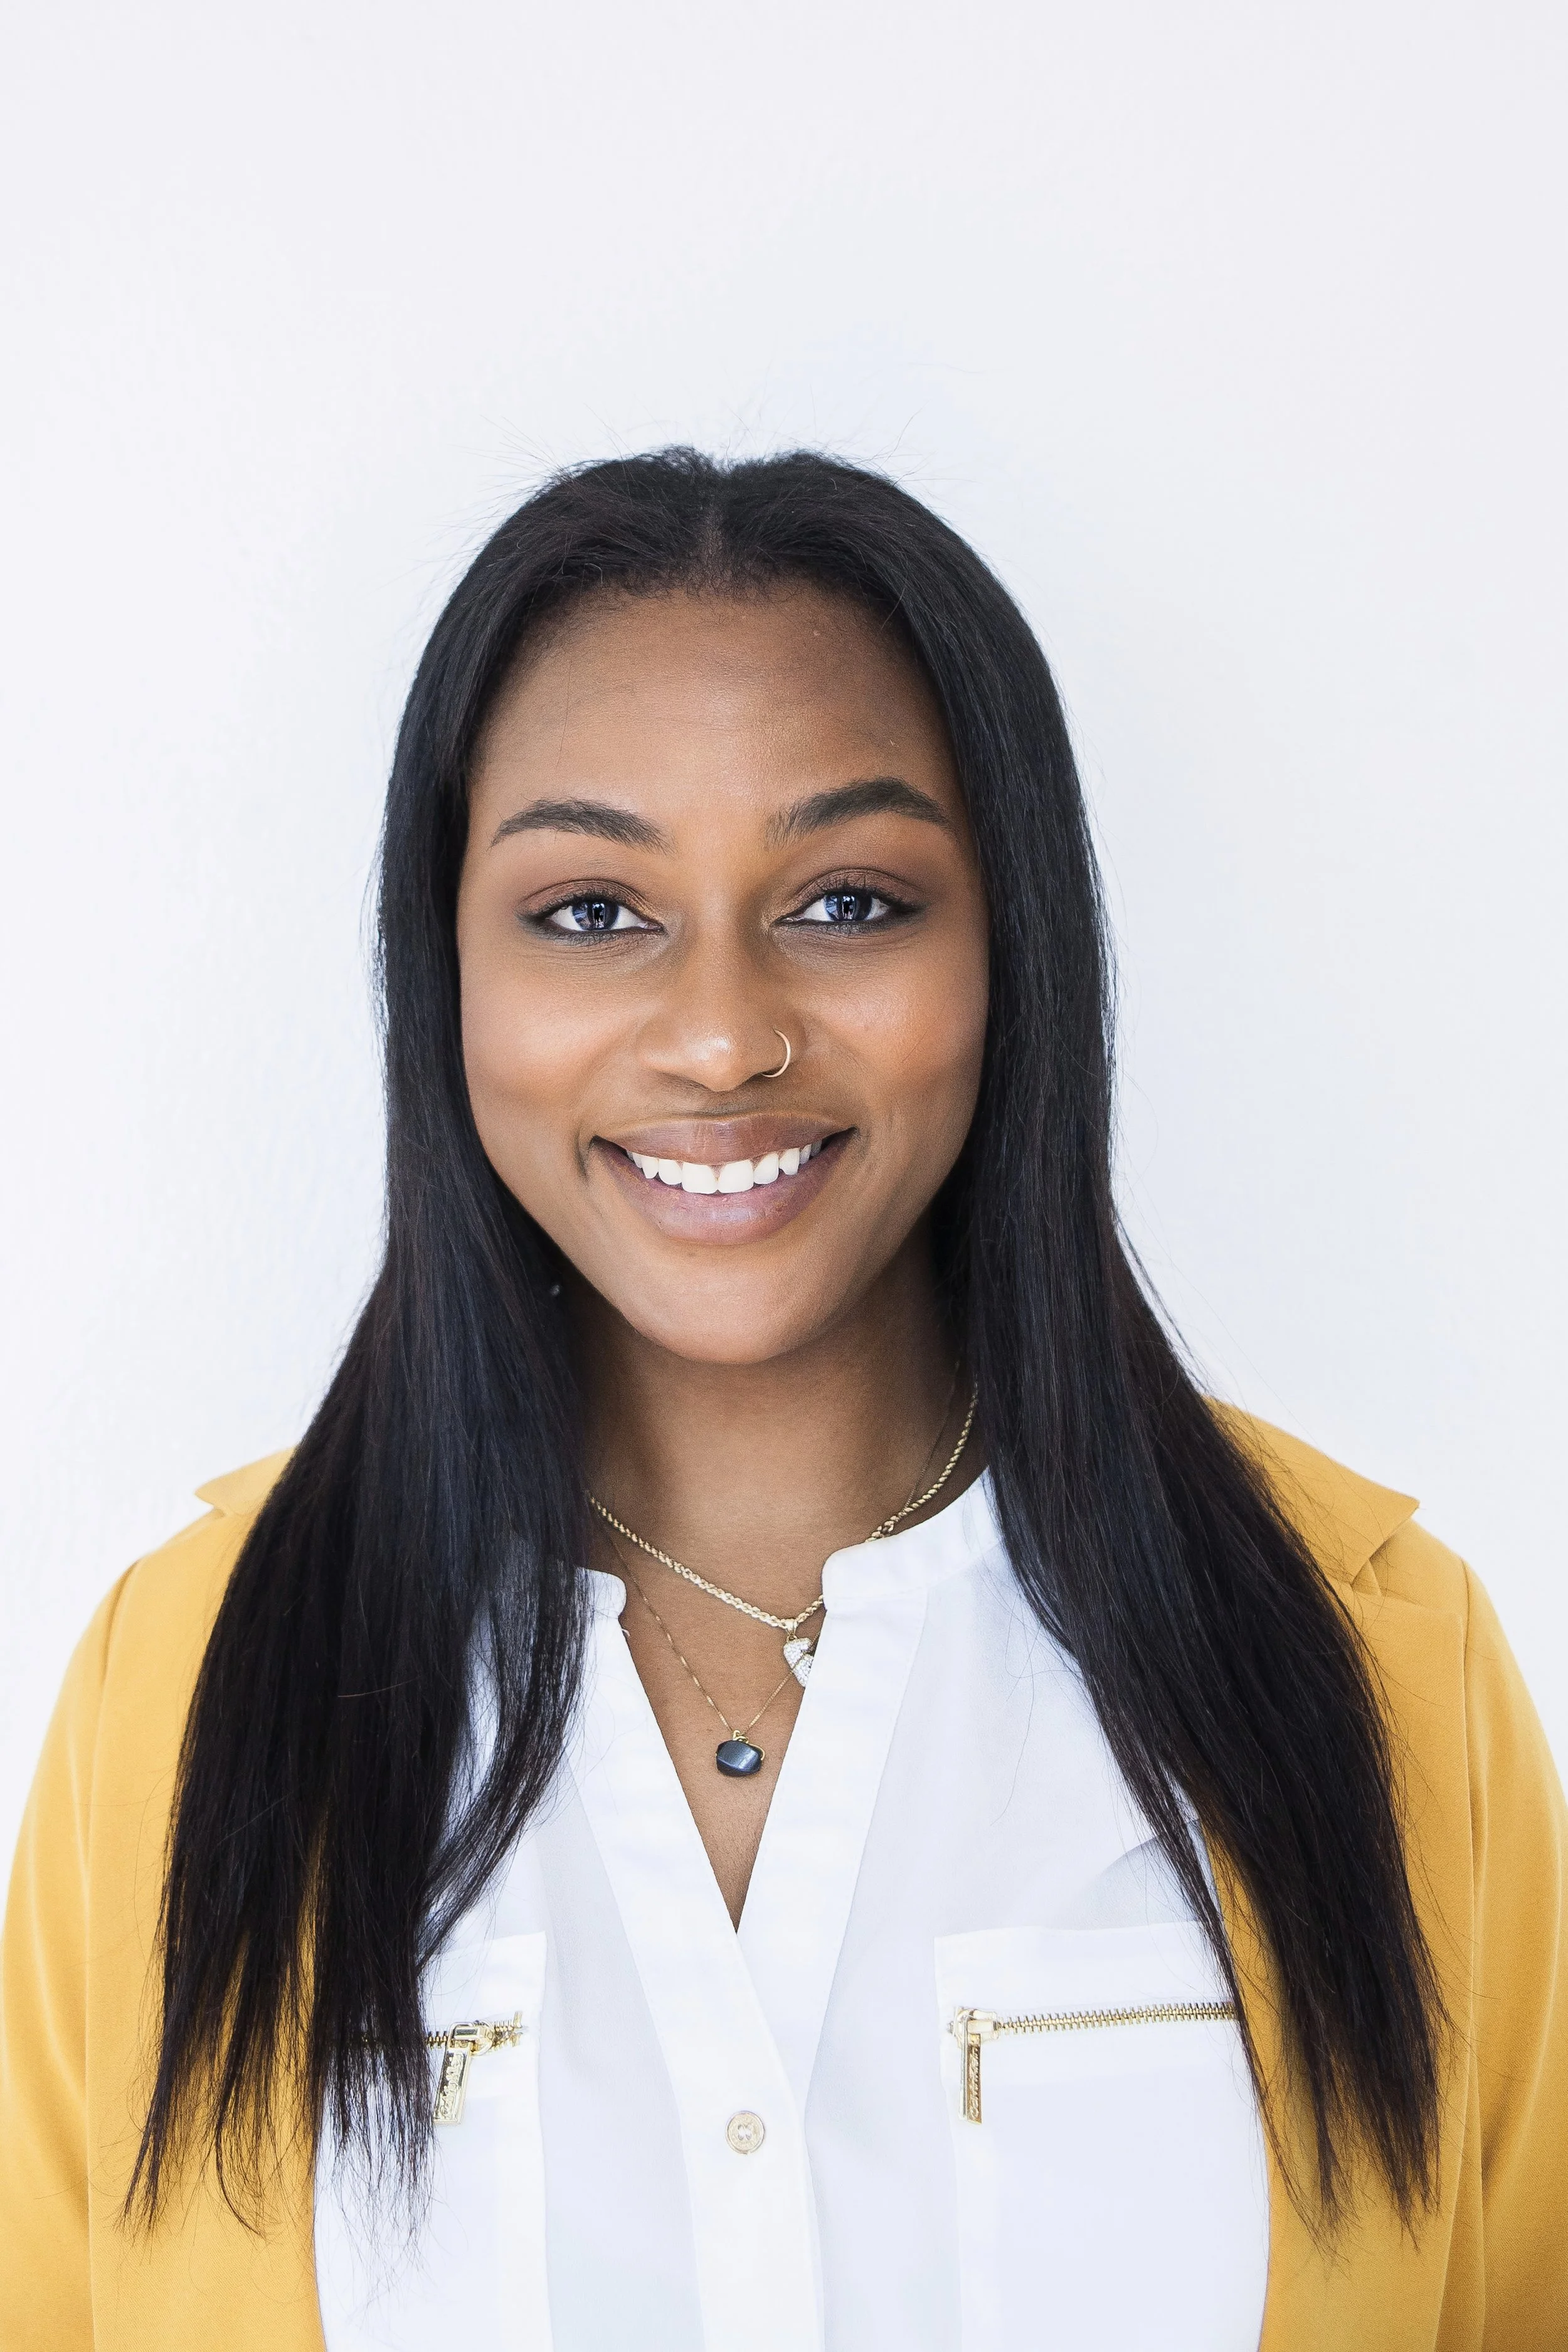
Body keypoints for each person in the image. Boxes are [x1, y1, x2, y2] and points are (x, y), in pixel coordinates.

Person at [2, 450, 1563, 2352]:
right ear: (448, 976)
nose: (724, 1032)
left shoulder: (1379, 1664)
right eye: (589, 910)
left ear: (1009, 950)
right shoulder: (181, 1685)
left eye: (844, 898)